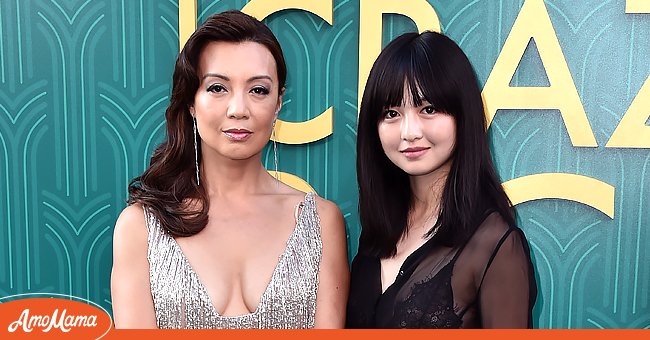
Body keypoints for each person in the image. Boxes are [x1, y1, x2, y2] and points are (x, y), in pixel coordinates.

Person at [110, 10, 349, 329]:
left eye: (259, 90)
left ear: (278, 103)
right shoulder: (140, 228)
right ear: (191, 103)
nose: (239, 109)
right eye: (217, 88)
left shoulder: (321, 222)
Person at [346, 31, 537, 328]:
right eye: (392, 113)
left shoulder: (495, 245)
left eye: (429, 109)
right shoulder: (378, 230)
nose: (409, 131)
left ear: (463, 115)